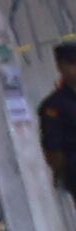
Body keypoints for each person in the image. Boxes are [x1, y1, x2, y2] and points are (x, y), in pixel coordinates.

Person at [40, 42, 76, 204]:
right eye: (71, 63)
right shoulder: (55, 105)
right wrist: (63, 173)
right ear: (60, 67)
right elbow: (53, 147)